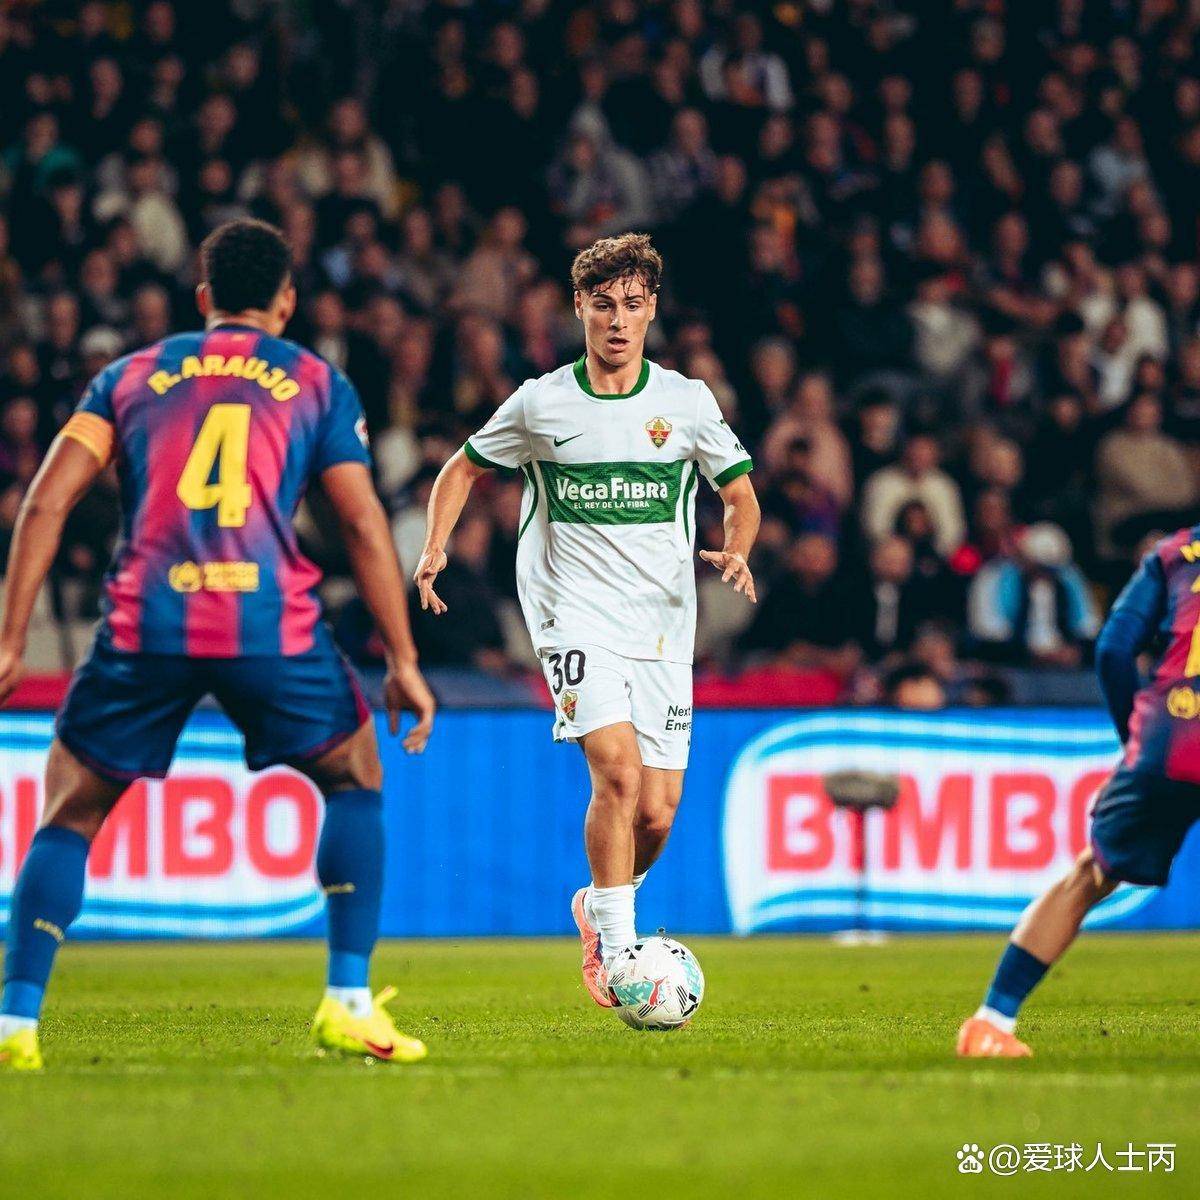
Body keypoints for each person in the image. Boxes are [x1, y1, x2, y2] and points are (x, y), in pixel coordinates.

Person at [0, 219, 436, 1072]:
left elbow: (46, 502)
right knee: (355, 777)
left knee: (71, 812)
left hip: (148, 621)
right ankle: (348, 1002)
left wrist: (11, 640)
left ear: (203, 298)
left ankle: (15, 1026)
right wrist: (404, 660)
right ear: (286, 302)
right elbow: (360, 523)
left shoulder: (129, 376)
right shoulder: (314, 380)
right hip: (266, 622)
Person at [415, 233, 759, 1007]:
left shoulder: (687, 403)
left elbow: (739, 494)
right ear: (579, 307)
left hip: (663, 623)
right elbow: (462, 467)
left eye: (632, 305)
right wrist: (435, 545)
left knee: (658, 813)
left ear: (652, 310)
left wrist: (738, 549)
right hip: (571, 614)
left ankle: (599, 903)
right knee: (618, 771)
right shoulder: (542, 402)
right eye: (603, 305)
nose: (618, 320)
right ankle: (617, 948)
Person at [957, 524, 1200, 1057]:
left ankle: (991, 1022)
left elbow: (1113, 649)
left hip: (1170, 736)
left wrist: (1135, 740)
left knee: (1091, 875)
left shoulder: (1174, 553)